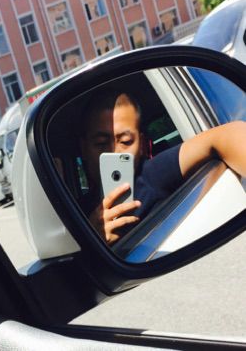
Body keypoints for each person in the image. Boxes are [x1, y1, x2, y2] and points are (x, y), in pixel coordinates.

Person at [79, 90, 246, 245]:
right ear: (84, 149)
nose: (114, 152)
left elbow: (227, 134)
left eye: (125, 141)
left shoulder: (151, 175)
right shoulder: (75, 213)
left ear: (142, 145)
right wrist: (90, 238)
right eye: (101, 143)